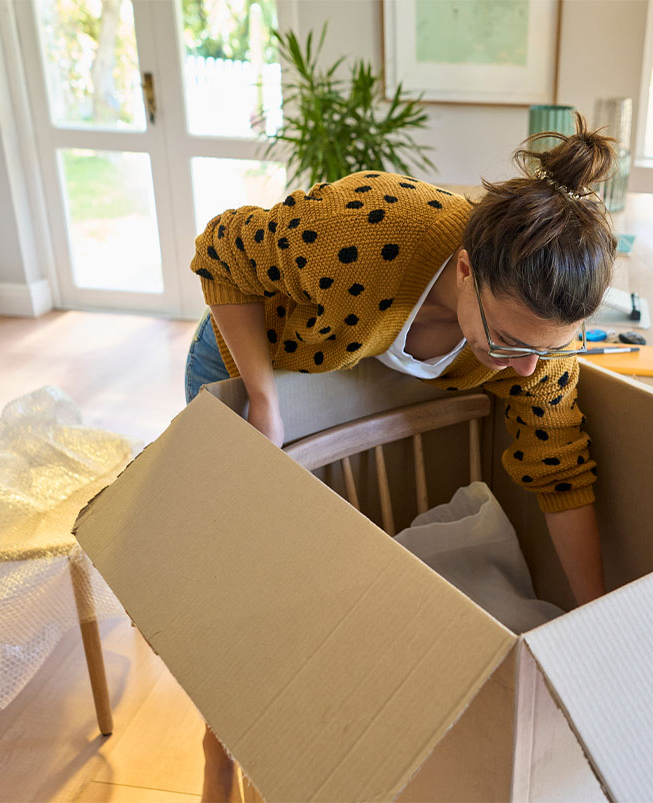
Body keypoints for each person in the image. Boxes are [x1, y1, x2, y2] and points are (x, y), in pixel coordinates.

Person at [183, 112, 616, 801]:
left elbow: (557, 465)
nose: (528, 371)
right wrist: (262, 401)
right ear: (466, 271)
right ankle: (217, 750)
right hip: (255, 355)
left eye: (551, 348)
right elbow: (221, 252)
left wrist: (597, 622)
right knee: (250, 585)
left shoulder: (540, 355)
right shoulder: (360, 232)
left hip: (358, 366)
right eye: (507, 341)